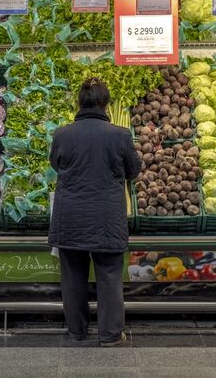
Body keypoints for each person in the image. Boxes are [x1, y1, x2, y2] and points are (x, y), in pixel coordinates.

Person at [48, 77, 142, 346]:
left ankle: (77, 331)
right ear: (106, 104)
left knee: (73, 276)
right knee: (110, 276)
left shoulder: (62, 134)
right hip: (107, 217)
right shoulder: (120, 134)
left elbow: (56, 164)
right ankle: (111, 335)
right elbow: (133, 171)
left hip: (70, 216)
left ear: (79, 102)